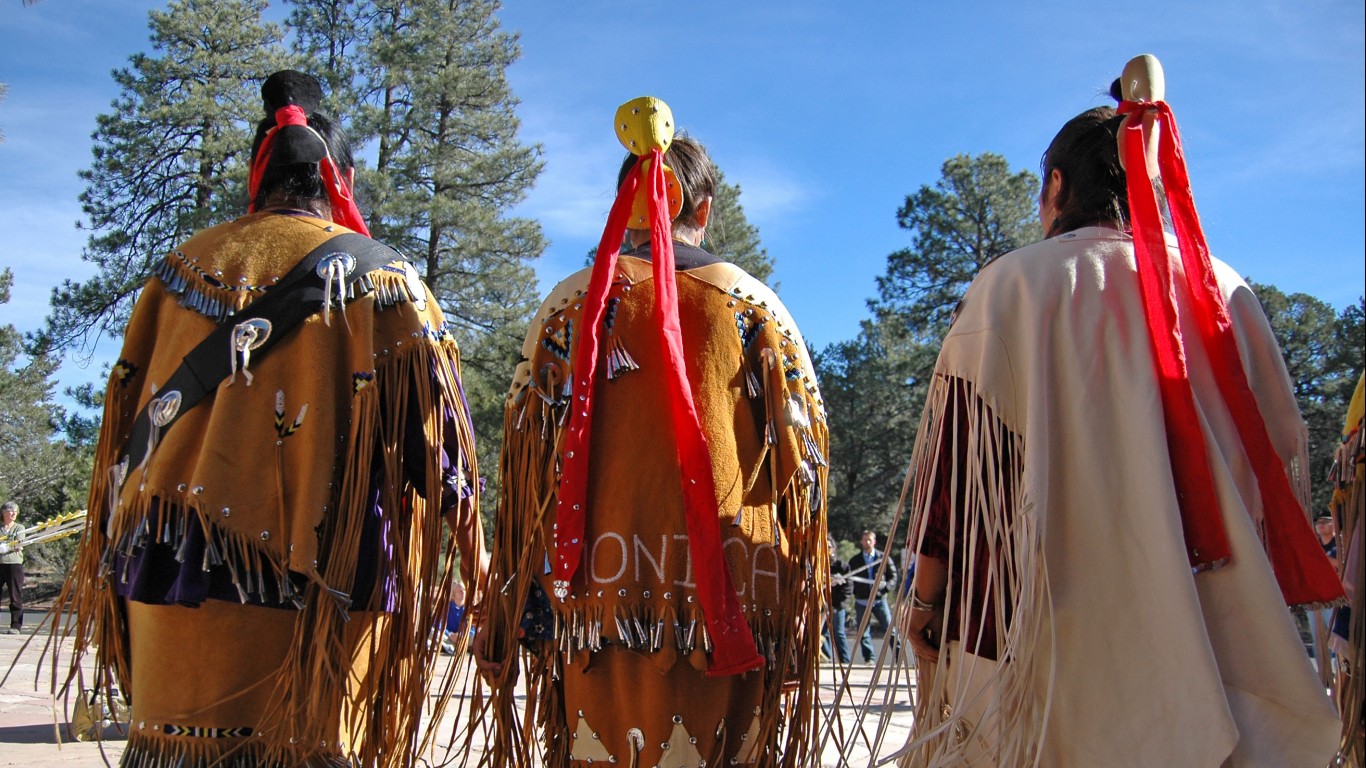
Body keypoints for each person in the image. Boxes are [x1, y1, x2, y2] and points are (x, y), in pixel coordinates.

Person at [898, 56, 1343, 766]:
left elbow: (958, 464)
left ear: (1056, 186)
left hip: (1050, 651)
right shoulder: (1227, 290)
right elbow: (1281, 456)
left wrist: (926, 600)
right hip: (1220, 627)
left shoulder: (1014, 286)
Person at [50, 70, 484, 768]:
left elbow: (120, 430)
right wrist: (479, 564)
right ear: (339, 176)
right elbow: (443, 462)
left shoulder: (177, 271)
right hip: (318, 599)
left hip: (169, 580)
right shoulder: (386, 280)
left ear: (262, 171)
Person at [473, 98, 829, 768]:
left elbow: (524, 477)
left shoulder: (569, 306)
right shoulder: (756, 307)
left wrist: (504, 617)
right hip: (732, 611)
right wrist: (802, 623)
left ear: (624, 202)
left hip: (596, 617)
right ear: (704, 208)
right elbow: (803, 471)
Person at [849, 530, 896, 663]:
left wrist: (885, 588)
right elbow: (850, 578)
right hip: (862, 601)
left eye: (870, 540)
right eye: (865, 540)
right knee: (863, 632)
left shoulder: (883, 558)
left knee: (890, 630)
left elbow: (893, 577)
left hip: (879, 600)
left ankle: (898, 657)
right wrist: (855, 592)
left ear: (874, 541)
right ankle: (869, 659)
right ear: (861, 542)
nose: (867, 542)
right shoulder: (855, 560)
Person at [823, 536, 852, 664]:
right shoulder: (817, 565)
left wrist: (838, 604)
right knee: (822, 634)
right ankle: (827, 658)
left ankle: (845, 661)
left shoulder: (842, 566)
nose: (826, 549)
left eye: (829, 547)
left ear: (834, 549)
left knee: (838, 633)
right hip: (820, 606)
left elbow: (848, 587)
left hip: (837, 606)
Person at [0, 501, 23, 635]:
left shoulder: (19, 528)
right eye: (11, 510)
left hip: (14, 565)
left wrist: (6, 547)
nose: (14, 513)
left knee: (15, 595)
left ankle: (16, 625)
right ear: (4, 513)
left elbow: (20, 543)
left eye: (16, 511)